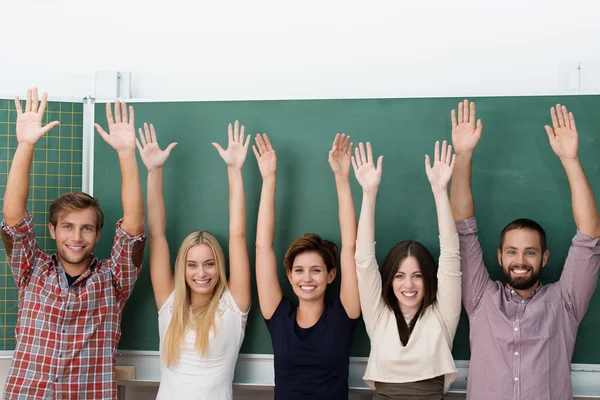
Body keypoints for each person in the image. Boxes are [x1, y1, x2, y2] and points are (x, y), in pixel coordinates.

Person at [449, 100, 600, 400]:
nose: (520, 260)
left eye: (530, 252)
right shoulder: (481, 298)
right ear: (499, 256)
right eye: (512, 251)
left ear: (544, 258)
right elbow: (462, 228)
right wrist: (463, 154)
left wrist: (570, 159)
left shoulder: (564, 303)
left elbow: (590, 237)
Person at [1, 88, 146, 399]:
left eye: (87, 228)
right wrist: (26, 144)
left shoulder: (113, 280)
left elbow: (133, 225)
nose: (77, 237)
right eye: (67, 227)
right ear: (52, 231)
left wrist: (126, 153)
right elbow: (13, 219)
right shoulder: (31, 271)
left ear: (98, 233)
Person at [136, 121, 251, 400]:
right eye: (192, 265)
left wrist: (234, 170)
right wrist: (154, 171)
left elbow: (238, 235)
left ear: (219, 266)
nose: (202, 273)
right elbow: (157, 233)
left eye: (209, 263)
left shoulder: (233, 306)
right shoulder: (169, 303)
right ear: (182, 269)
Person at [253, 133, 361, 399]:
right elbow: (262, 248)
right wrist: (269, 180)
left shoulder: (343, 316)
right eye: (299, 270)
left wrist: (342, 179)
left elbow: (351, 248)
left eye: (316, 270)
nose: (307, 278)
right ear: (289, 276)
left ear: (331, 275)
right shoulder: (279, 318)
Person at [353, 140, 461, 399]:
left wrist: (440, 191)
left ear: (428, 280)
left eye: (417, 276)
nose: (408, 285)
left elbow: (450, 256)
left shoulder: (442, 315)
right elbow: (365, 263)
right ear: (389, 280)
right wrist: (368, 194)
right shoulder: (379, 316)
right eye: (400, 276)